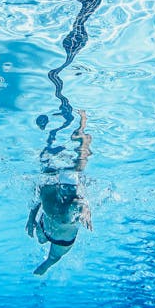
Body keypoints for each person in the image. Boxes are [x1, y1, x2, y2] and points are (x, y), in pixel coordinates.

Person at [26, 110, 93, 275]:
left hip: (60, 238)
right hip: (49, 227)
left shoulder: (69, 200)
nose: (70, 192)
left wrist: (86, 212)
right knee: (41, 239)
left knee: (53, 257)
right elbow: (38, 197)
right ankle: (80, 131)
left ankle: (47, 265)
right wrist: (31, 218)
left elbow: (81, 203)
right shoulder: (50, 194)